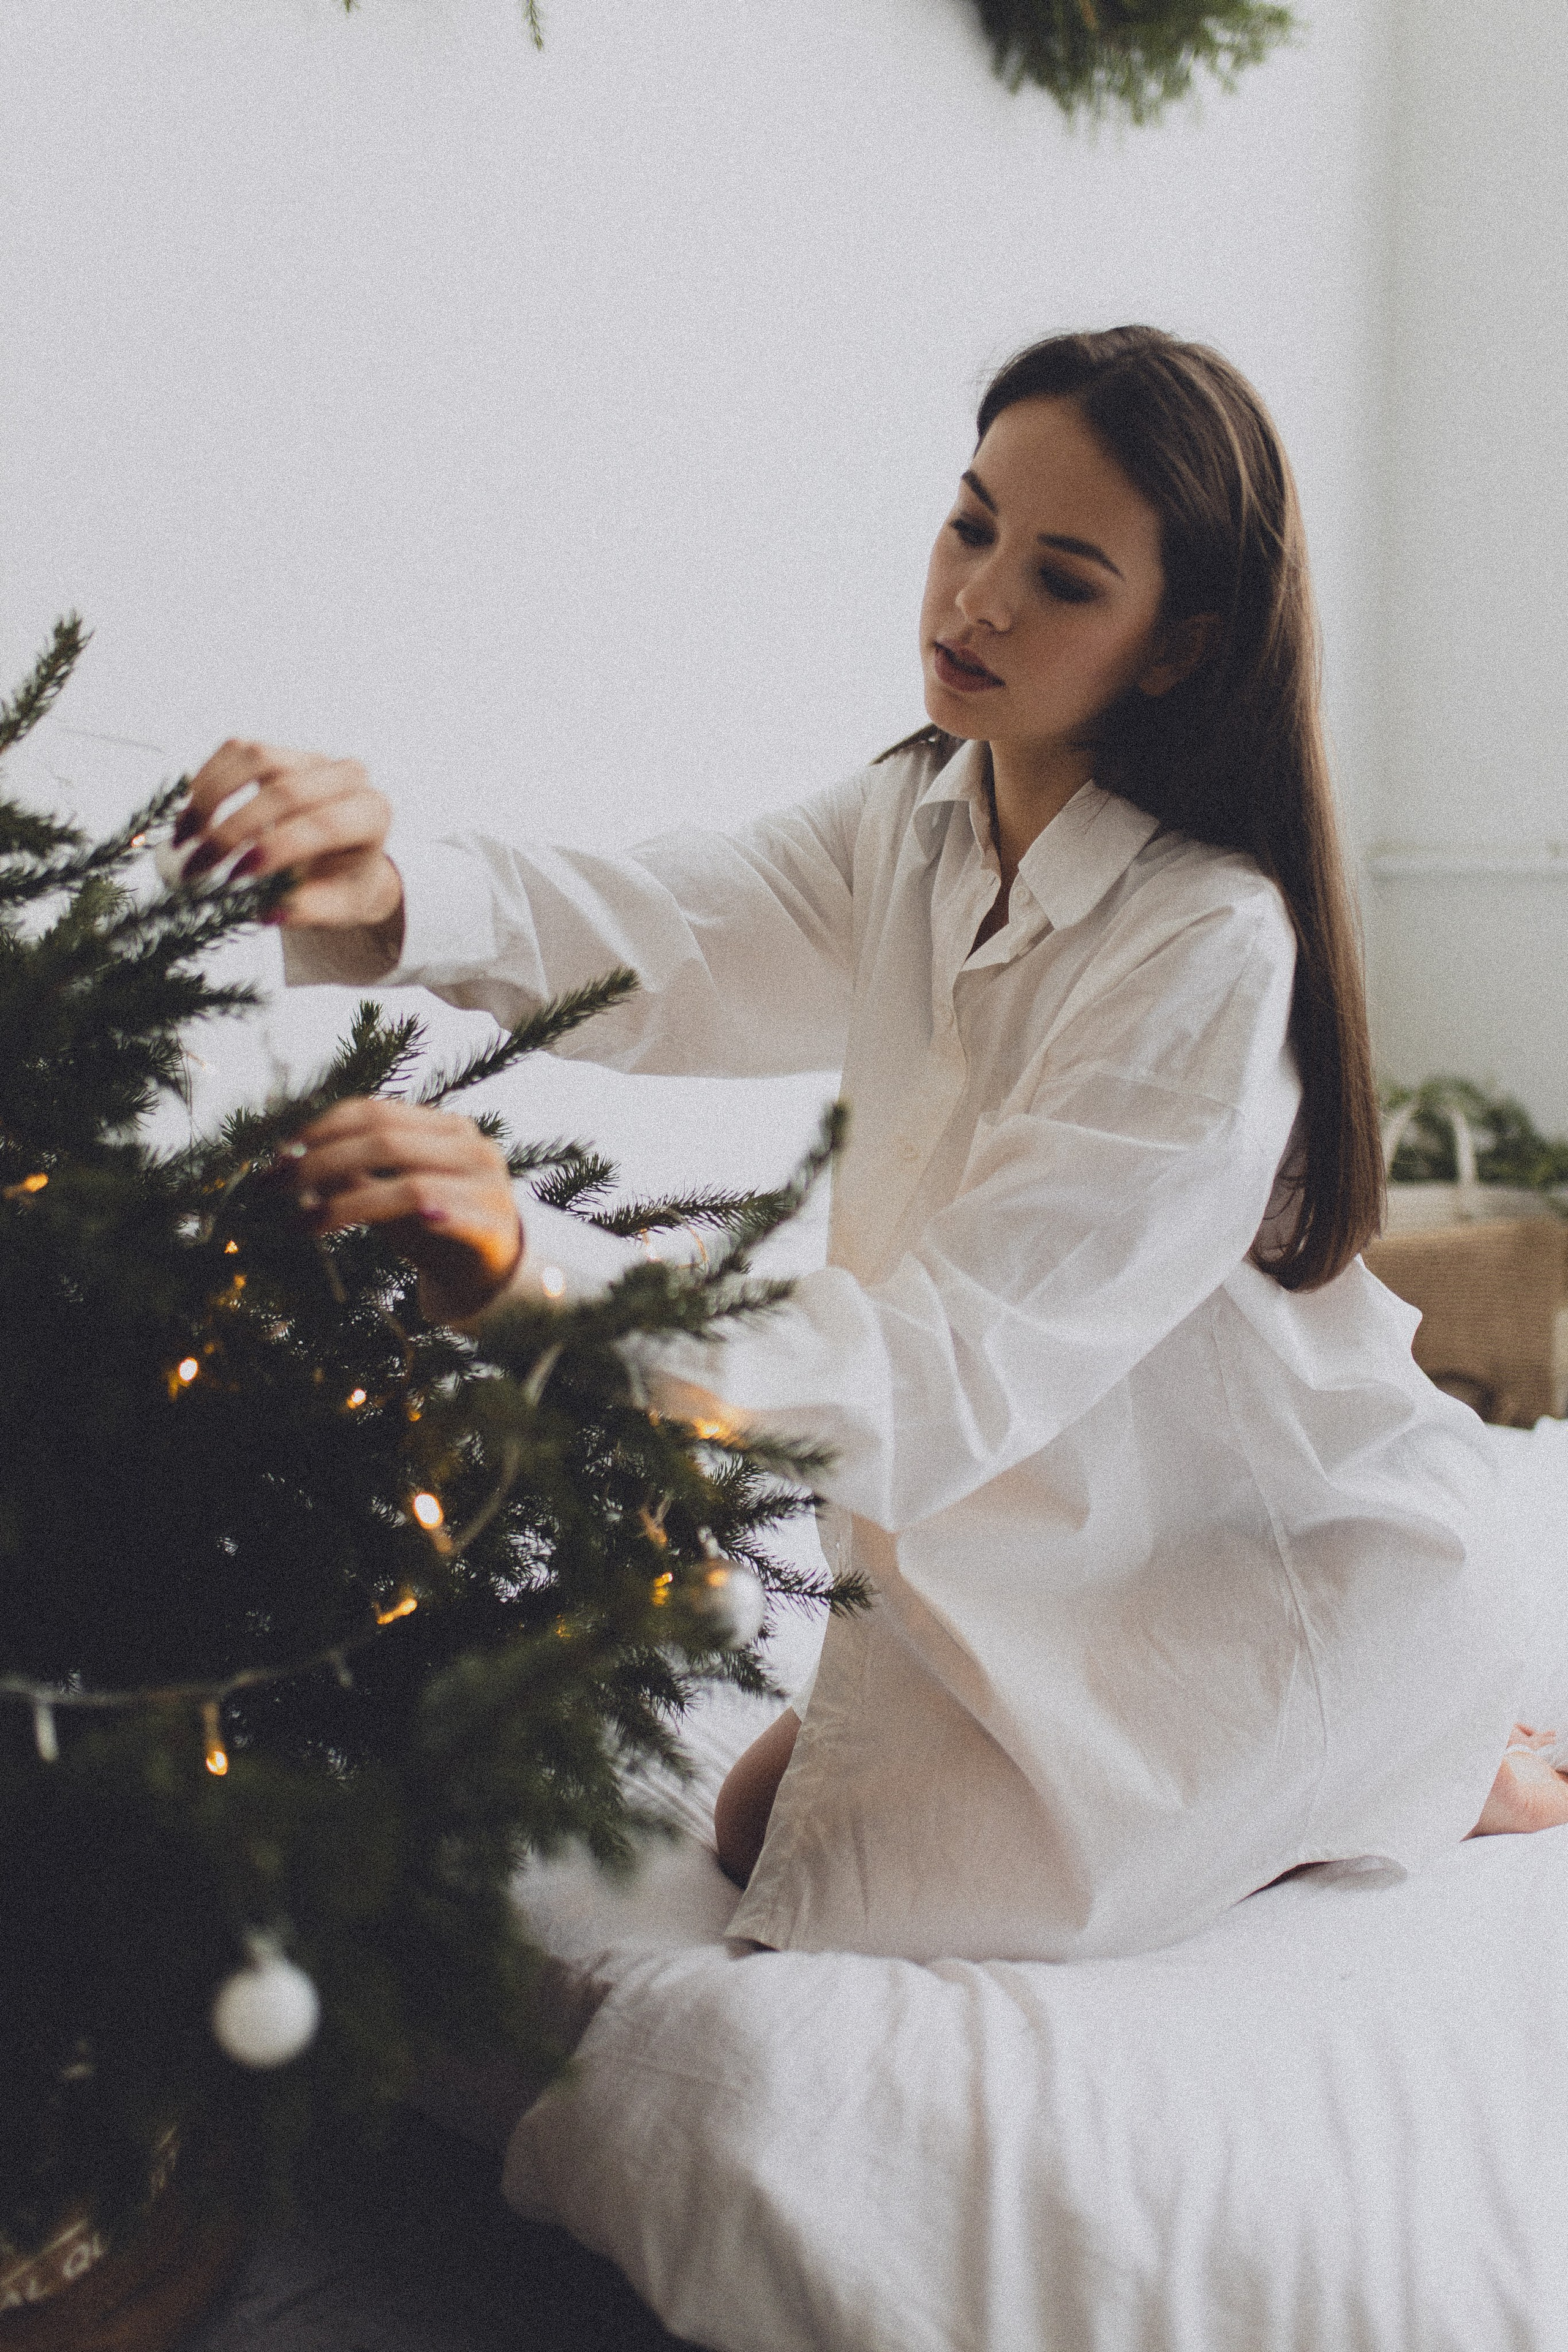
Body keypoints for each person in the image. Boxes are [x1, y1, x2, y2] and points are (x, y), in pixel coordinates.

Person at [173, 326, 1568, 1959]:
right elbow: (670, 927)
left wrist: (532, 1270)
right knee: (772, 1825)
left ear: (1179, 645)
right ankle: (1370, 1757)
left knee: (793, 1840)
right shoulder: (924, 804)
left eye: (1061, 578)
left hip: (1266, 1566)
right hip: (1042, 1521)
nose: (975, 600)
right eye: (970, 524)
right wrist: (391, 895)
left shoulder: (1211, 945)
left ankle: (1410, 1750)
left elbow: (946, 1374)